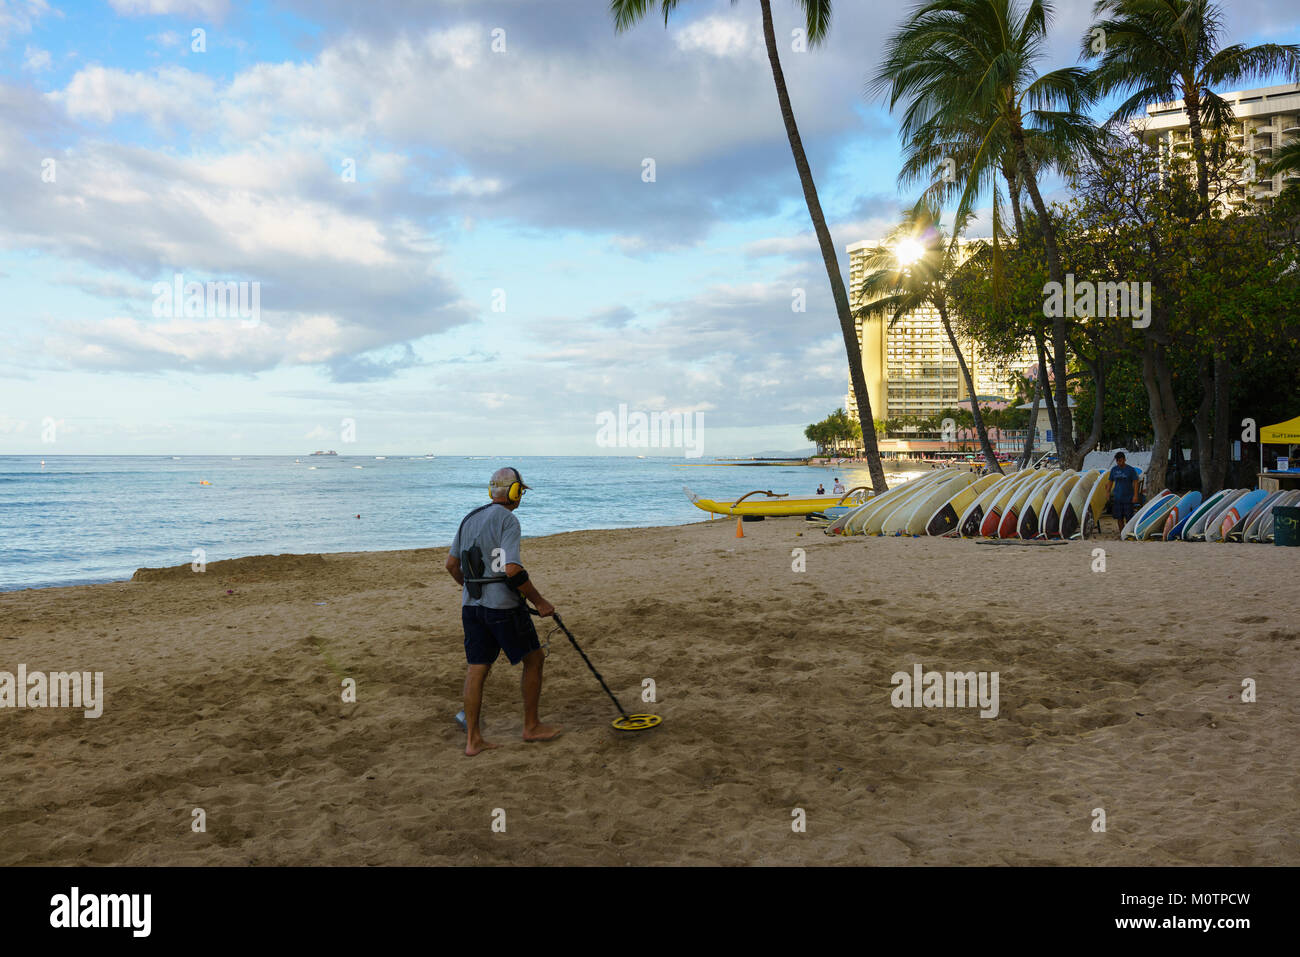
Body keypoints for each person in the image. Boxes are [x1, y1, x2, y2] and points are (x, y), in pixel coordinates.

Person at [445, 467, 561, 756]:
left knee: (477, 669)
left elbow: (451, 566)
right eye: (520, 490)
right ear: (514, 492)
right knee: (534, 659)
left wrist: (472, 588)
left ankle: (473, 740)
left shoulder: (469, 518)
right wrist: (540, 602)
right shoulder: (508, 520)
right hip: (503, 608)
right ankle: (531, 726)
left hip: (471, 608)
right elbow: (513, 570)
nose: (520, 496)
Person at [1105, 452, 1140, 533]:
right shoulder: (1114, 470)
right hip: (1117, 497)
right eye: (1117, 461)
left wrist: (1135, 495)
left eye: (1120, 460)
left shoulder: (1130, 470)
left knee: (1129, 517)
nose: (1119, 463)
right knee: (1119, 517)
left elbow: (1135, 482)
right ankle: (1122, 533)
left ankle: (1129, 533)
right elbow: (1110, 482)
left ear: (1124, 459)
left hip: (1128, 497)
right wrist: (1107, 493)